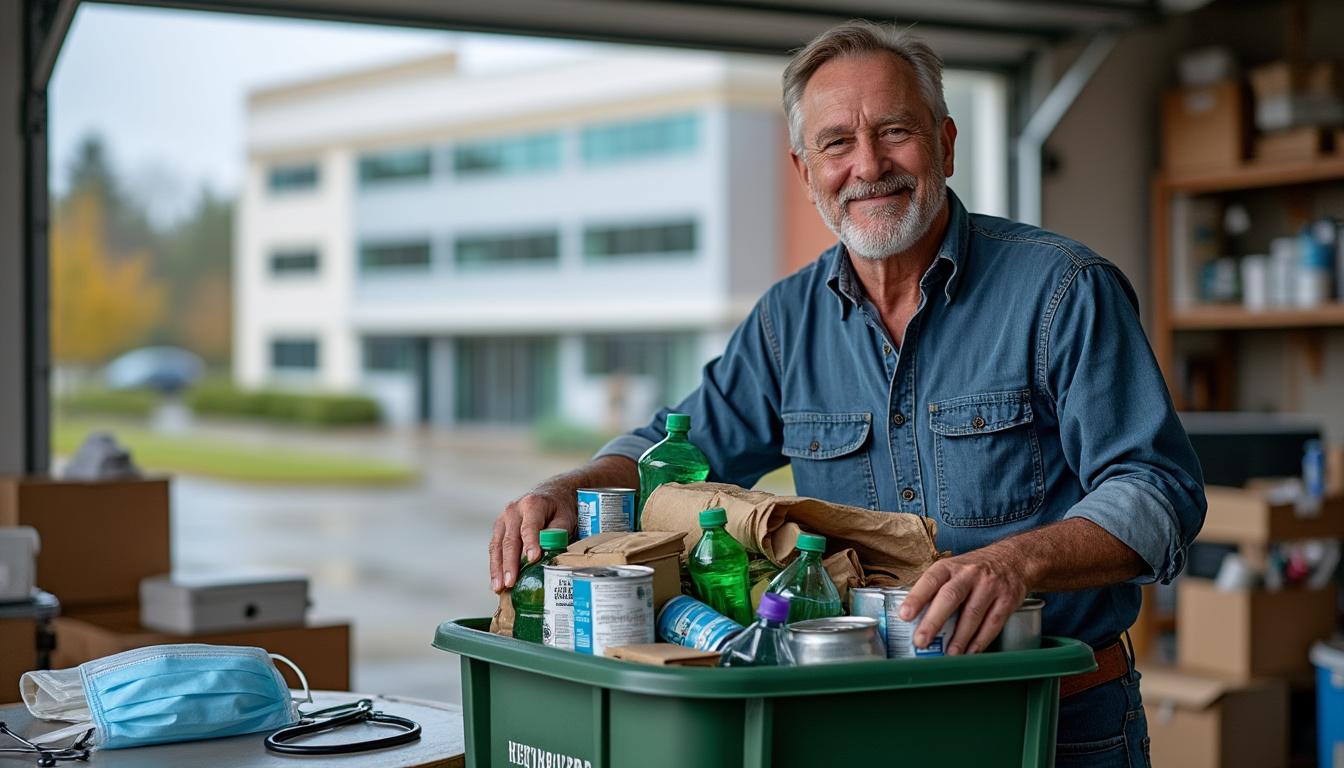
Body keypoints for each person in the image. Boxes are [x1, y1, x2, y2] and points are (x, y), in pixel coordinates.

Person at [488, 20, 1204, 767]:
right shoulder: (783, 324)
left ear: (946, 144)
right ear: (805, 170)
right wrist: (570, 486)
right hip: (860, 725)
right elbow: (673, 449)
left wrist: (1014, 563)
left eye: (895, 131)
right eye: (836, 143)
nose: (868, 165)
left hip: (1054, 720)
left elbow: (1159, 492)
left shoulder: (1064, 291)